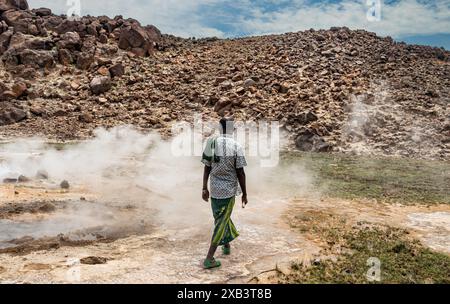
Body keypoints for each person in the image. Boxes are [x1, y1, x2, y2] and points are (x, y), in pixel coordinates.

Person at [201, 117, 248, 269]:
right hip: (228, 192)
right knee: (221, 221)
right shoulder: (236, 146)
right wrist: (245, 194)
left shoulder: (211, 143)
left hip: (214, 189)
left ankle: (226, 246)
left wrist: (204, 187)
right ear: (232, 130)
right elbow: (240, 172)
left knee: (221, 217)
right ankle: (209, 258)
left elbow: (207, 167)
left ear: (220, 129)